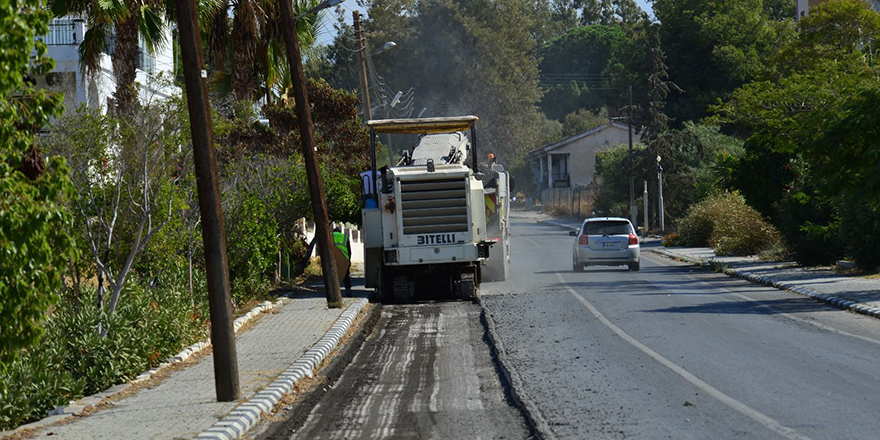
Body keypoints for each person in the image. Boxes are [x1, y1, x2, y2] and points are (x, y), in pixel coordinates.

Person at [332, 226, 352, 297]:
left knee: (333, 275)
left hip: (333, 258)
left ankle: (334, 291)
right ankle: (348, 289)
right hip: (344, 258)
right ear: (340, 232)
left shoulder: (330, 236)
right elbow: (349, 250)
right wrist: (349, 260)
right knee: (346, 275)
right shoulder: (344, 237)